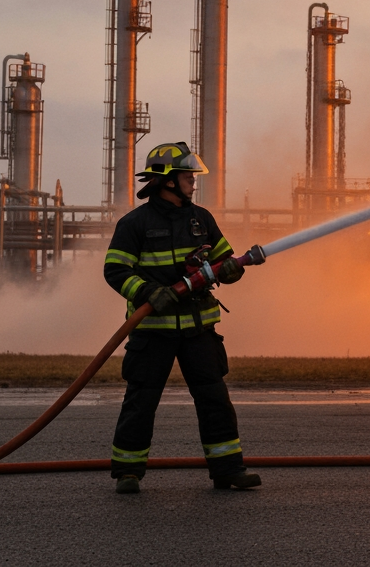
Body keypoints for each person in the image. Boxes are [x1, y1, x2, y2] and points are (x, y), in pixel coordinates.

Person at [102, 141, 260, 494]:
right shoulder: (135, 223)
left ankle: (228, 469)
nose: (193, 180)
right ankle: (128, 472)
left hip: (198, 329)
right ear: (168, 180)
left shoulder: (201, 219)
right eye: (187, 174)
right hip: (153, 331)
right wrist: (146, 293)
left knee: (214, 398)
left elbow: (223, 261)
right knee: (141, 400)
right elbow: (115, 270)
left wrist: (233, 269)